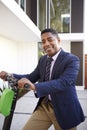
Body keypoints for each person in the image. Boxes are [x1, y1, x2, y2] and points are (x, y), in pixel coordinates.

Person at [0, 28, 85, 130]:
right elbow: (31, 77)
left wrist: (35, 86)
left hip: (64, 108)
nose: (46, 44)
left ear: (58, 40)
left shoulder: (72, 59)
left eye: (50, 39)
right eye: (43, 41)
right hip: (45, 106)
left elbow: (64, 82)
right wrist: (10, 75)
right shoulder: (43, 60)